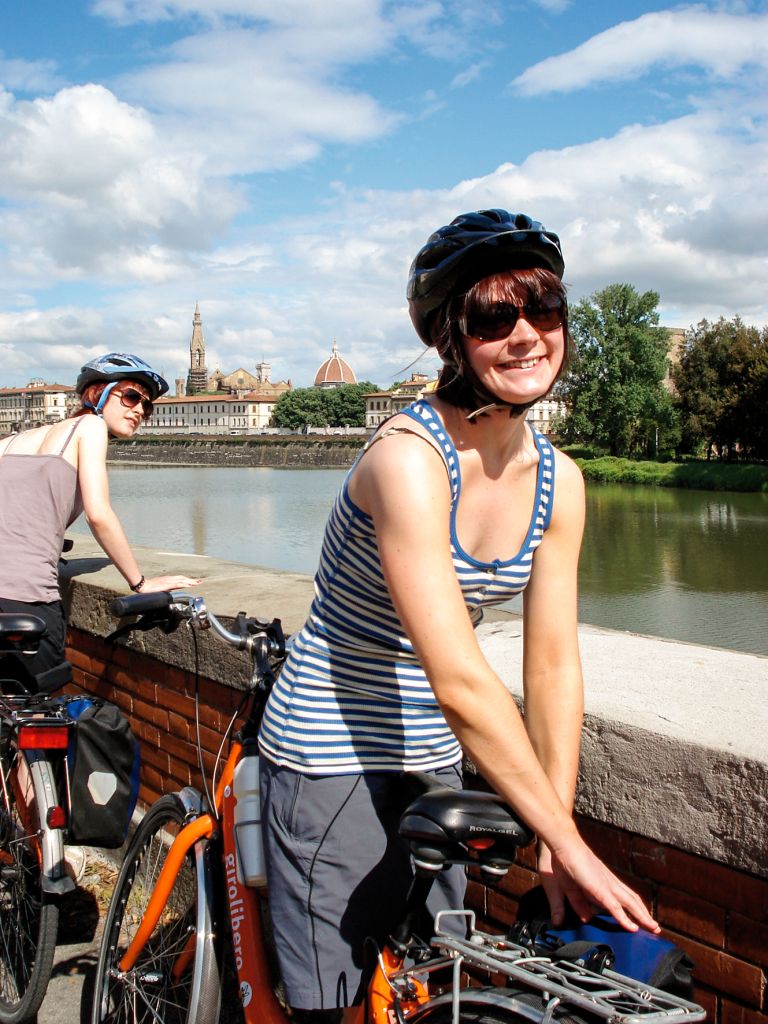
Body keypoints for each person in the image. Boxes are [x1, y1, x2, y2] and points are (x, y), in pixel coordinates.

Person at [258, 209, 659, 1016]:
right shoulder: (409, 461)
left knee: (426, 981)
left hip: (436, 753)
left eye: (544, 311)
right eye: (493, 317)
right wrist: (574, 849)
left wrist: (555, 830)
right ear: (450, 338)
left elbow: (550, 667)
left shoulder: (561, 482)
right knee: (330, 1000)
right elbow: (459, 676)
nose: (526, 335)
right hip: (335, 746)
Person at [0, 352, 201, 692]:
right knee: (38, 715)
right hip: (26, 597)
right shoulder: (89, 426)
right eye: (132, 396)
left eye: (147, 406)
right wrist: (140, 583)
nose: (139, 410)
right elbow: (99, 513)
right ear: (98, 394)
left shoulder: (9, 442)